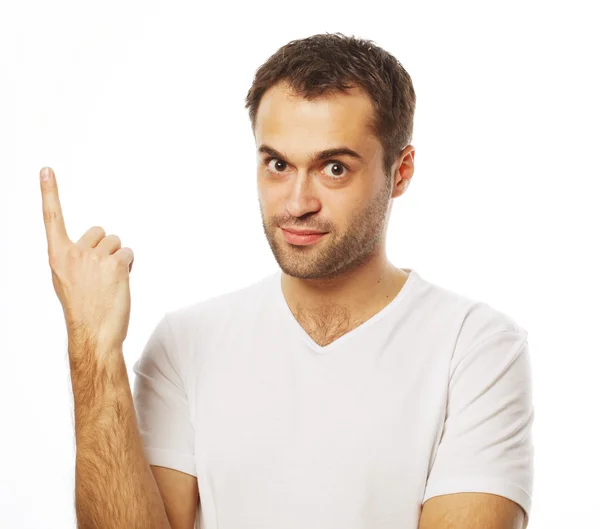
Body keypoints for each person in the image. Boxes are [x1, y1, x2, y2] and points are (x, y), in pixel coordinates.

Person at [41, 32, 533, 529]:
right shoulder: (184, 344)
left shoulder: (473, 348)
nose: (297, 203)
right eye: (277, 165)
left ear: (400, 172)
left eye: (334, 168)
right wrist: (93, 347)